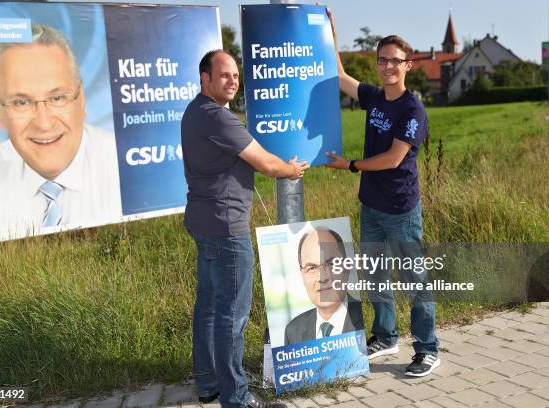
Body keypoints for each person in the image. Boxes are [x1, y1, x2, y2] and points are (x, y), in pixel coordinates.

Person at [181, 49, 309, 408]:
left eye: (236, 75)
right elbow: (266, 163)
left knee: (208, 306)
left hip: (205, 223)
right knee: (231, 315)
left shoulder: (194, 111)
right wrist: (291, 169)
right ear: (205, 78)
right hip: (226, 227)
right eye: (224, 75)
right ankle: (236, 397)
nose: (232, 80)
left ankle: (209, 383)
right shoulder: (216, 117)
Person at [324, 9, 440, 377]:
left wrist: (352, 165)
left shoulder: (412, 109)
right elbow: (339, 75)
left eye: (395, 61)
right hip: (371, 204)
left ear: (408, 66)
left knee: (412, 277)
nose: (388, 66)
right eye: (383, 60)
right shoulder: (374, 96)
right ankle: (386, 336)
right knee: (374, 275)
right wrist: (329, 28)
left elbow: (393, 159)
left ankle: (427, 348)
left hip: (400, 209)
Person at [0, 23, 121, 243]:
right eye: (21, 102)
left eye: (57, 98)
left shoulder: (124, 164)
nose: (43, 123)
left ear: (81, 99)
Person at [284, 227, 365, 345]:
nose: (322, 277)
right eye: (311, 268)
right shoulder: (292, 331)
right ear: (302, 276)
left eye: (331, 264)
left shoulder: (367, 318)